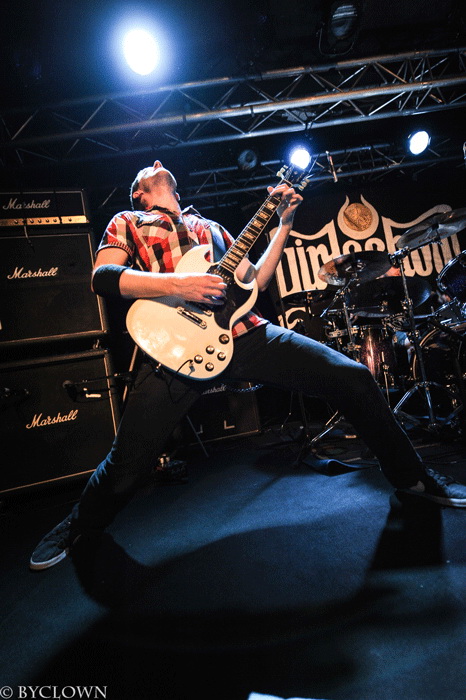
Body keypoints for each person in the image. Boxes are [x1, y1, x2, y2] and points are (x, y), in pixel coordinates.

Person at [30, 160, 466, 571]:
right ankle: (80, 524)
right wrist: (180, 283)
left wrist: (285, 224)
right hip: (173, 346)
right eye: (149, 170)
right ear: (139, 193)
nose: (159, 164)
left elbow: (256, 279)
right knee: (129, 461)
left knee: (353, 377)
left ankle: (413, 479)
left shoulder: (212, 228)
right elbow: (103, 277)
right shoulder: (128, 220)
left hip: (247, 334)